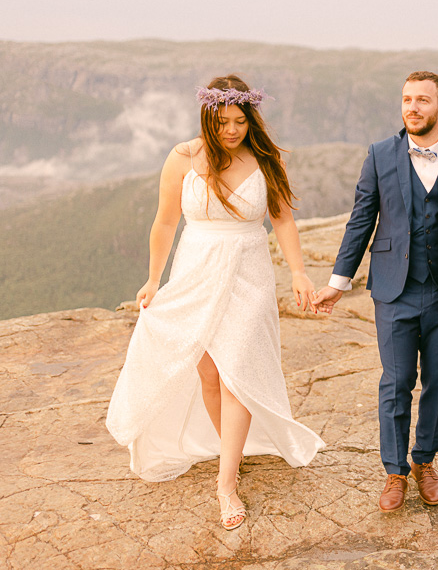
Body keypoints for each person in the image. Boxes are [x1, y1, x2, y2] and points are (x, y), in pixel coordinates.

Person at [106, 75, 325, 531]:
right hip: (195, 268)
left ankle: (227, 483)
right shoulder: (183, 157)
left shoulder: (263, 158)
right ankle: (233, 451)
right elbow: (165, 222)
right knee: (208, 372)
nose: (232, 130)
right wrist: (152, 280)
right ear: (208, 117)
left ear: (251, 119)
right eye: (223, 122)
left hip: (248, 270)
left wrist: (299, 272)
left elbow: (282, 220)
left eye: (240, 122)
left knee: (237, 374)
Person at [313, 70, 438, 512]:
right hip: (393, 290)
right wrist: (340, 281)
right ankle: (394, 472)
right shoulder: (380, 155)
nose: (412, 107)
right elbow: (361, 221)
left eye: (422, 100)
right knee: (396, 383)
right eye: (406, 99)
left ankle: (425, 461)